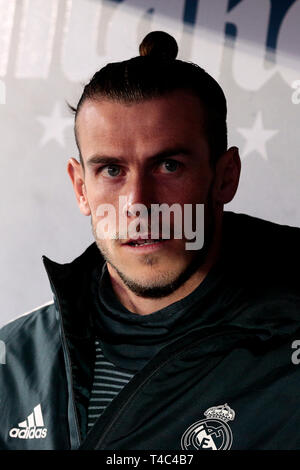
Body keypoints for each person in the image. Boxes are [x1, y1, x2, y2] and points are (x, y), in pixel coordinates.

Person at [1, 31, 300, 451]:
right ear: (80, 186)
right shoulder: (14, 359)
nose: (138, 206)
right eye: (111, 170)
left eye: (169, 165)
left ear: (225, 176)